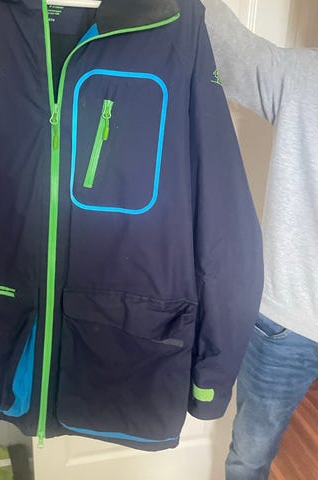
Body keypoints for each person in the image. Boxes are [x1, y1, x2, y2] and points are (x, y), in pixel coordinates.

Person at [201, 0, 318, 478]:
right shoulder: (305, 76)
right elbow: (232, 50)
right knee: (249, 456)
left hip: (283, 321)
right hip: (287, 321)